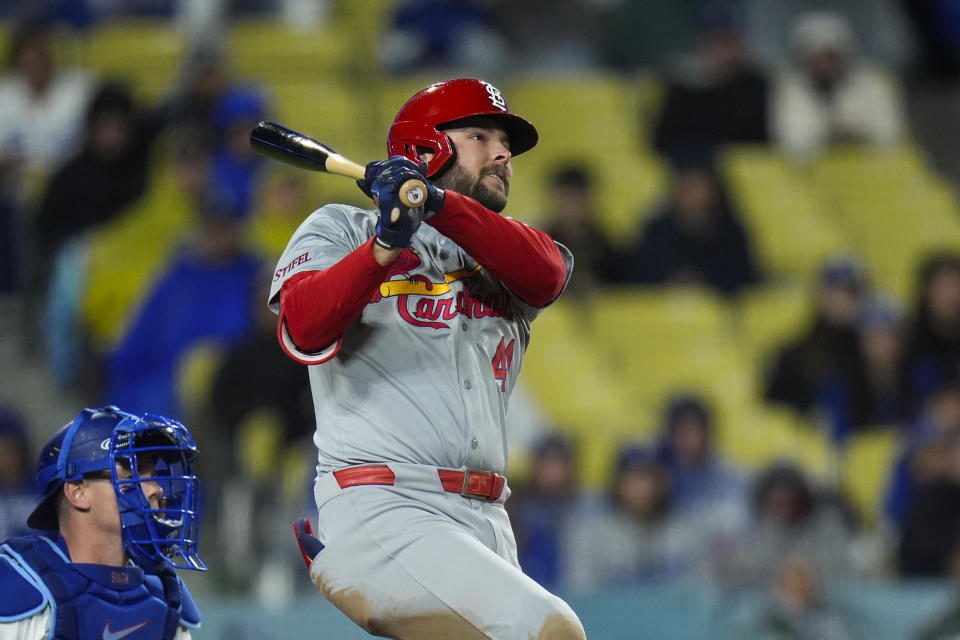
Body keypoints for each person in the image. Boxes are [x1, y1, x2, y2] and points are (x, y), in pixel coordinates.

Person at [270, 78, 585, 638]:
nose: (502, 153)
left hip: (487, 519)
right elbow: (304, 325)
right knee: (550, 630)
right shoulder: (342, 228)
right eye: (481, 136)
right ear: (423, 149)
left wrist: (434, 202)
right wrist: (384, 249)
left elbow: (549, 273)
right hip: (385, 503)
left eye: (505, 142)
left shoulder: (503, 250)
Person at [0, 406, 205, 638]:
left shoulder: (165, 600)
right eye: (130, 475)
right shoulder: (19, 589)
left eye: (153, 475)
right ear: (77, 492)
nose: (156, 489)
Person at [611, 146, 760, 296]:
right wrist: (670, 284)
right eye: (686, 184)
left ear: (714, 189)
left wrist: (707, 286)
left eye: (699, 185)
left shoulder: (732, 233)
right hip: (662, 315)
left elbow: (746, 283)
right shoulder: (656, 231)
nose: (692, 194)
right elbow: (639, 283)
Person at [770, 10, 906, 161]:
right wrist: (827, 136)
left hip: (876, 172)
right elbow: (790, 141)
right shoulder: (789, 87)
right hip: (813, 177)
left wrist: (855, 134)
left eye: (829, 56)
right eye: (816, 58)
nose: (824, 65)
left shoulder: (874, 81)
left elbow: (891, 134)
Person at [652, 2, 769, 157]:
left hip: (747, 171)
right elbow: (662, 141)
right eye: (716, 41)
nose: (723, 50)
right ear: (701, 42)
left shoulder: (758, 87)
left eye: (729, 41)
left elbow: (766, 142)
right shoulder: (682, 87)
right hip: (692, 170)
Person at [764, 254, 868, 416]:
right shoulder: (792, 356)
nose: (839, 300)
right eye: (832, 291)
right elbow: (775, 415)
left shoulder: (875, 354)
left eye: (848, 292)